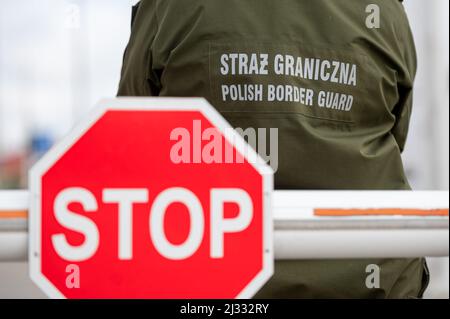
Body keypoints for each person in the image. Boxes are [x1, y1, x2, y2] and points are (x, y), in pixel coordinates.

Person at [118, 0, 429, 298]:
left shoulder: (169, 7)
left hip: (214, 275)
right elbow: (396, 131)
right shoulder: (383, 10)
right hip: (369, 277)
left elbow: (131, 134)